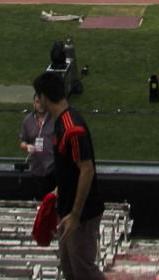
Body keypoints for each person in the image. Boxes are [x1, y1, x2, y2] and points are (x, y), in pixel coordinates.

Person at [34, 71, 102, 280]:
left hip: (80, 214)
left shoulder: (71, 127)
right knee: (69, 266)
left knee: (83, 269)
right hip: (67, 210)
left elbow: (86, 169)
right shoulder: (61, 122)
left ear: (44, 97)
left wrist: (75, 214)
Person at [19, 93, 57, 199]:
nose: (40, 105)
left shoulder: (55, 119)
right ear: (33, 104)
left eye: (42, 102)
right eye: (37, 102)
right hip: (36, 169)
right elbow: (22, 141)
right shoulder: (28, 121)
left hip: (53, 168)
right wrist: (27, 147)